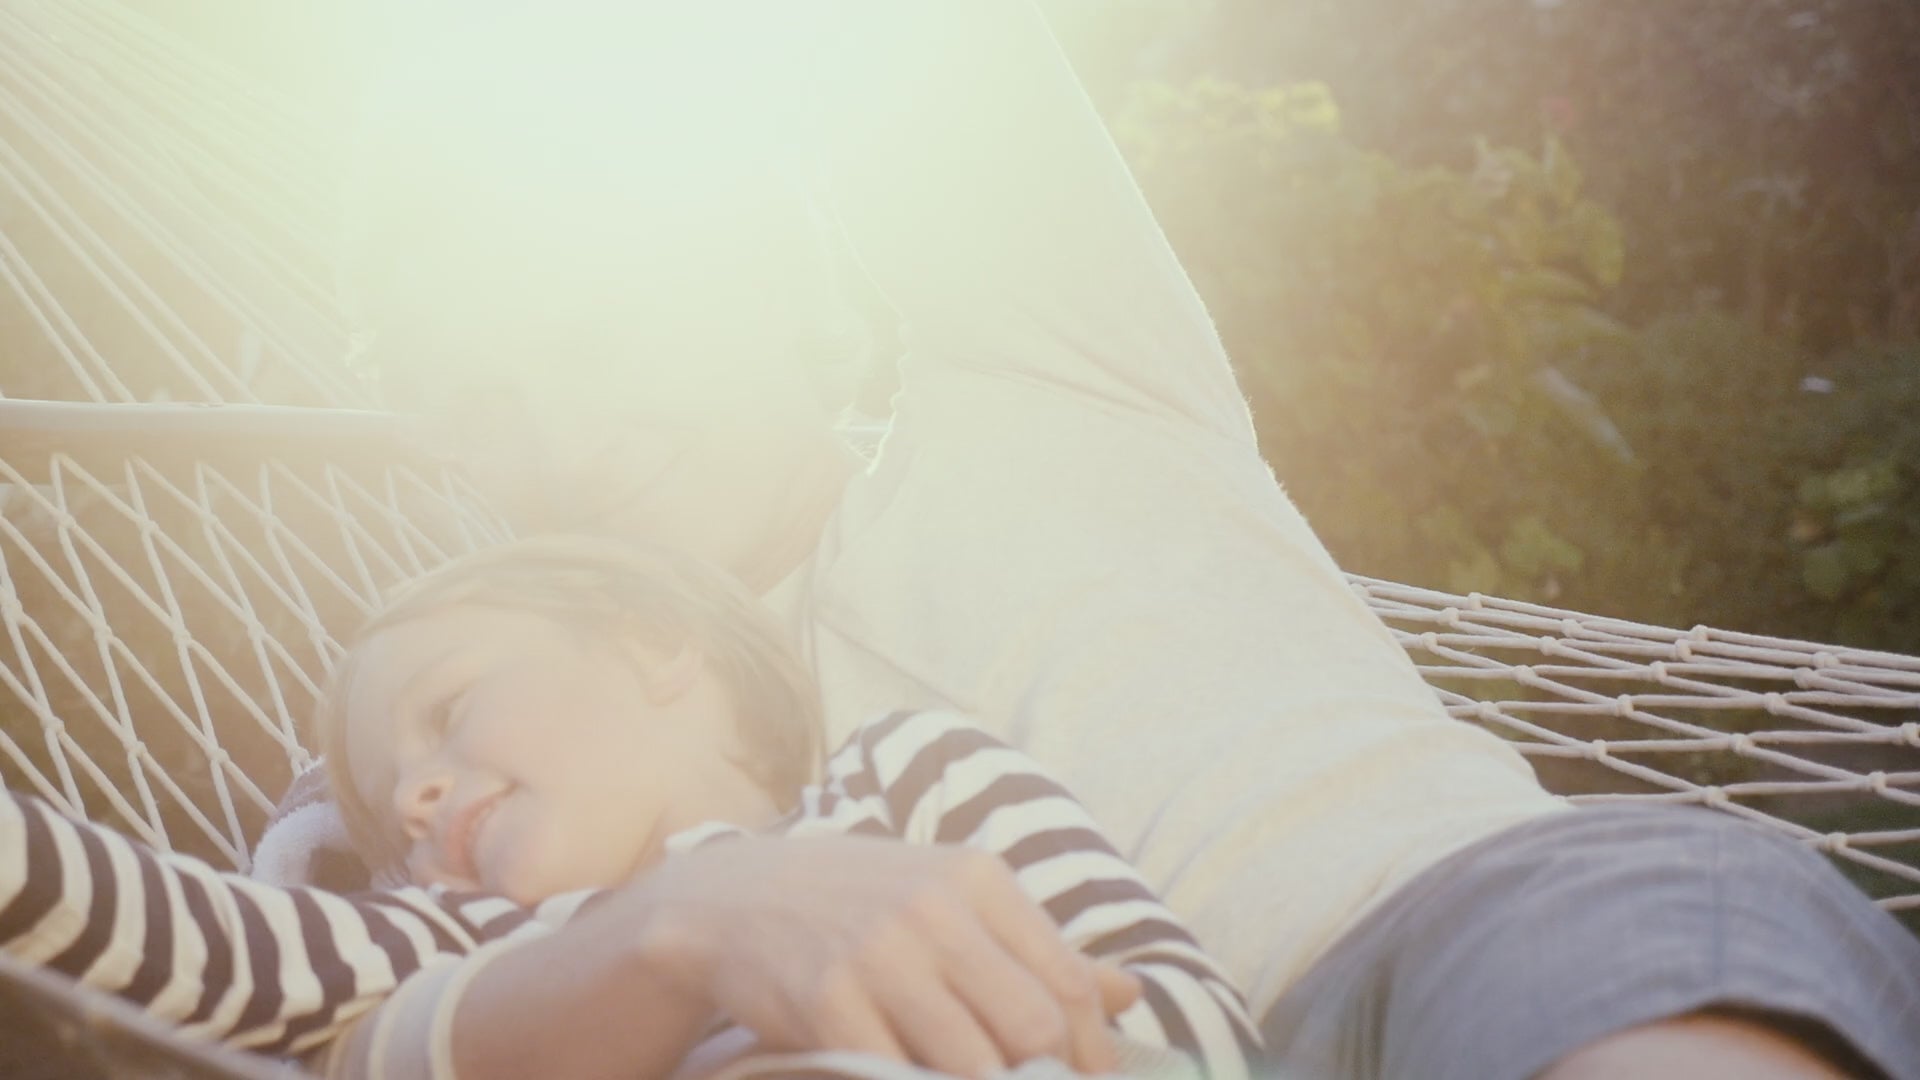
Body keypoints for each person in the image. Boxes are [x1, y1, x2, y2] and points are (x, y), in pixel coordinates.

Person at [251, 0, 1920, 1075]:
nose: (557, 434)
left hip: (1450, 928)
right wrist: (685, 919)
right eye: (478, 400)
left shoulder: (1044, 376)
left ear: (758, 274)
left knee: (1644, 978)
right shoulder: (544, 746)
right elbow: (343, 1016)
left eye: (598, 329)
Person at [3, 536, 1260, 1080]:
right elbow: (214, 949)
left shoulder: (910, 778)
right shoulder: (475, 941)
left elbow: (1195, 1016)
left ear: (656, 649)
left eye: (444, 714)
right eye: (389, 818)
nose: (417, 795)